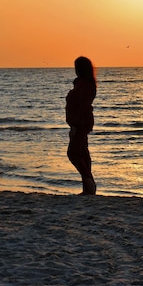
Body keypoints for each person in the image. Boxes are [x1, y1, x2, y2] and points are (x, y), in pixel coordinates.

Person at [66, 56, 97, 195]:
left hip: (80, 123)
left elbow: (82, 107)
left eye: (77, 67)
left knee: (73, 152)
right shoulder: (82, 83)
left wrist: (75, 126)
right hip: (80, 122)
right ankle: (87, 186)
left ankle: (89, 181)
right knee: (83, 153)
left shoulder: (84, 85)